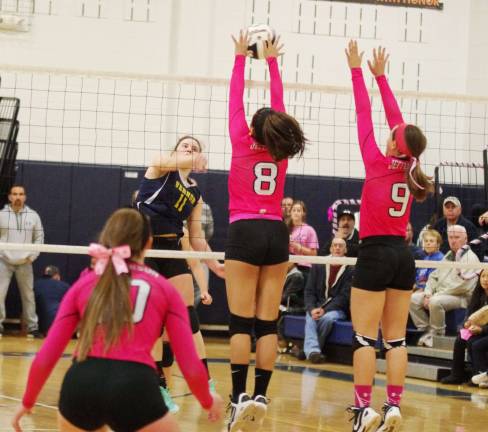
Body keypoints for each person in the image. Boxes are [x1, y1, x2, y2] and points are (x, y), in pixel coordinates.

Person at [12, 208, 224, 432]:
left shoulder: (84, 284)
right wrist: (207, 400)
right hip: (134, 385)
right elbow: (188, 361)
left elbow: (47, 354)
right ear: (149, 243)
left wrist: (27, 401)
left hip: (81, 385)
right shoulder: (164, 289)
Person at [345, 42, 433, 432]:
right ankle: (393, 405)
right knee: (395, 340)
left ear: (396, 144)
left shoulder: (377, 161)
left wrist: (357, 72)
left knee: (365, 339)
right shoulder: (414, 165)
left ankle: (364, 409)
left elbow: (365, 114)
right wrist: (381, 76)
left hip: (376, 252)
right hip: (402, 256)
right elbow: (400, 124)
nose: (389, 131)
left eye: (393, 134)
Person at [225, 31, 306, 431]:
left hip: (244, 229)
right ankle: (261, 395)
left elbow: (234, 99)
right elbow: (280, 108)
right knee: (267, 324)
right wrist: (272, 62)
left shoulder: (241, 139)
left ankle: (238, 399)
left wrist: (241, 58)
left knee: (240, 324)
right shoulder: (281, 149)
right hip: (275, 231)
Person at [135, 135, 225, 412]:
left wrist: (216, 266)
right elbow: (170, 160)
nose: (190, 149)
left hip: (172, 248)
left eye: (195, 147)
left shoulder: (196, 194)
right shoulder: (160, 167)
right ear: (175, 150)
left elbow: (197, 238)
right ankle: (157, 386)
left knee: (188, 317)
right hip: (145, 246)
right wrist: (193, 159)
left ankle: (204, 382)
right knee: (153, 321)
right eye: (185, 146)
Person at [410, 225, 479, 347]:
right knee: (413, 299)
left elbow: (463, 287)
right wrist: (427, 293)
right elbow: (433, 277)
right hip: (439, 293)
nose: (453, 240)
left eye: (457, 237)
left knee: (435, 301)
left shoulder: (471, 258)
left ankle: (437, 335)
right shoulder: (448, 255)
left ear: (466, 239)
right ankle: (426, 330)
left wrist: (436, 294)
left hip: (462, 297)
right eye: (451, 237)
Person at [0, 185, 44, 339]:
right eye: (14, 194)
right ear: (10, 197)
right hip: (4, 262)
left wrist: (31, 257)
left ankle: (32, 328)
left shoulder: (33, 216)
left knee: (28, 296)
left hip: (25, 262)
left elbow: (39, 238)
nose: (18, 197)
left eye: (21, 194)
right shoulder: (2, 215)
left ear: (25, 197)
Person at [303, 237, 353, 363]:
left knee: (327, 318)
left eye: (340, 246)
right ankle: (313, 352)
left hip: (337, 309)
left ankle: (311, 351)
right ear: (330, 248)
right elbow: (309, 291)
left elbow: (344, 297)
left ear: (345, 250)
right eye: (335, 245)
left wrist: (324, 310)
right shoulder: (319, 264)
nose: (337, 248)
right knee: (310, 316)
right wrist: (311, 308)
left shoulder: (351, 268)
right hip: (317, 306)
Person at [440, 268, 488, 385]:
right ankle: (457, 375)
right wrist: (467, 324)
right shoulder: (477, 294)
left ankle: (478, 375)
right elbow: (470, 315)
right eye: (483, 276)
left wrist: (481, 329)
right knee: (460, 339)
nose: (485, 279)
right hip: (478, 330)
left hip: (484, 331)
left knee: (474, 344)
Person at [287, 200, 319, 283]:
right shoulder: (285, 229)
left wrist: (298, 246)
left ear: (303, 213)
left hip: (304, 267)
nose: (296, 213)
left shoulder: (309, 230)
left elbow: (314, 254)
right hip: (287, 266)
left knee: (299, 278)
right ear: (290, 212)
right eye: (294, 210)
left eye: (299, 210)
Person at [34, 265, 70, 335]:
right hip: (60, 326)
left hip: (41, 327)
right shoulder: (65, 286)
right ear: (57, 276)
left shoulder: (35, 284)